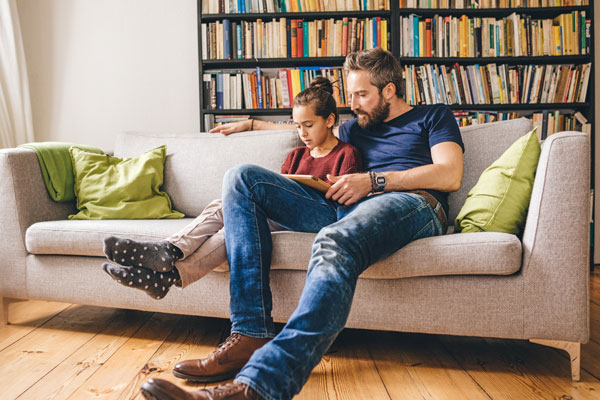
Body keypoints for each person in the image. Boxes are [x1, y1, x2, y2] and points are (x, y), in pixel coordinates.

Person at [140, 48, 464, 400]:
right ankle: (250, 332)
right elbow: (306, 124)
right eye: (350, 95)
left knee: (334, 242)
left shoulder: (433, 117)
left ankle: (260, 384)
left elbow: (450, 174)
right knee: (242, 178)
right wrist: (249, 124)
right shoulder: (356, 127)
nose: (353, 104)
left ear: (389, 91)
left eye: (361, 95)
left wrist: (373, 181)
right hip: (343, 206)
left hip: (411, 204)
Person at [101, 77, 363, 300]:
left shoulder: (346, 154)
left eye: (308, 125)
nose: (302, 133)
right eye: (297, 126)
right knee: (230, 214)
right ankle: (169, 270)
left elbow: (345, 205)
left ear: (329, 120)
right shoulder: (296, 155)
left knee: (235, 202)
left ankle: (169, 253)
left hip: (321, 217)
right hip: (282, 217)